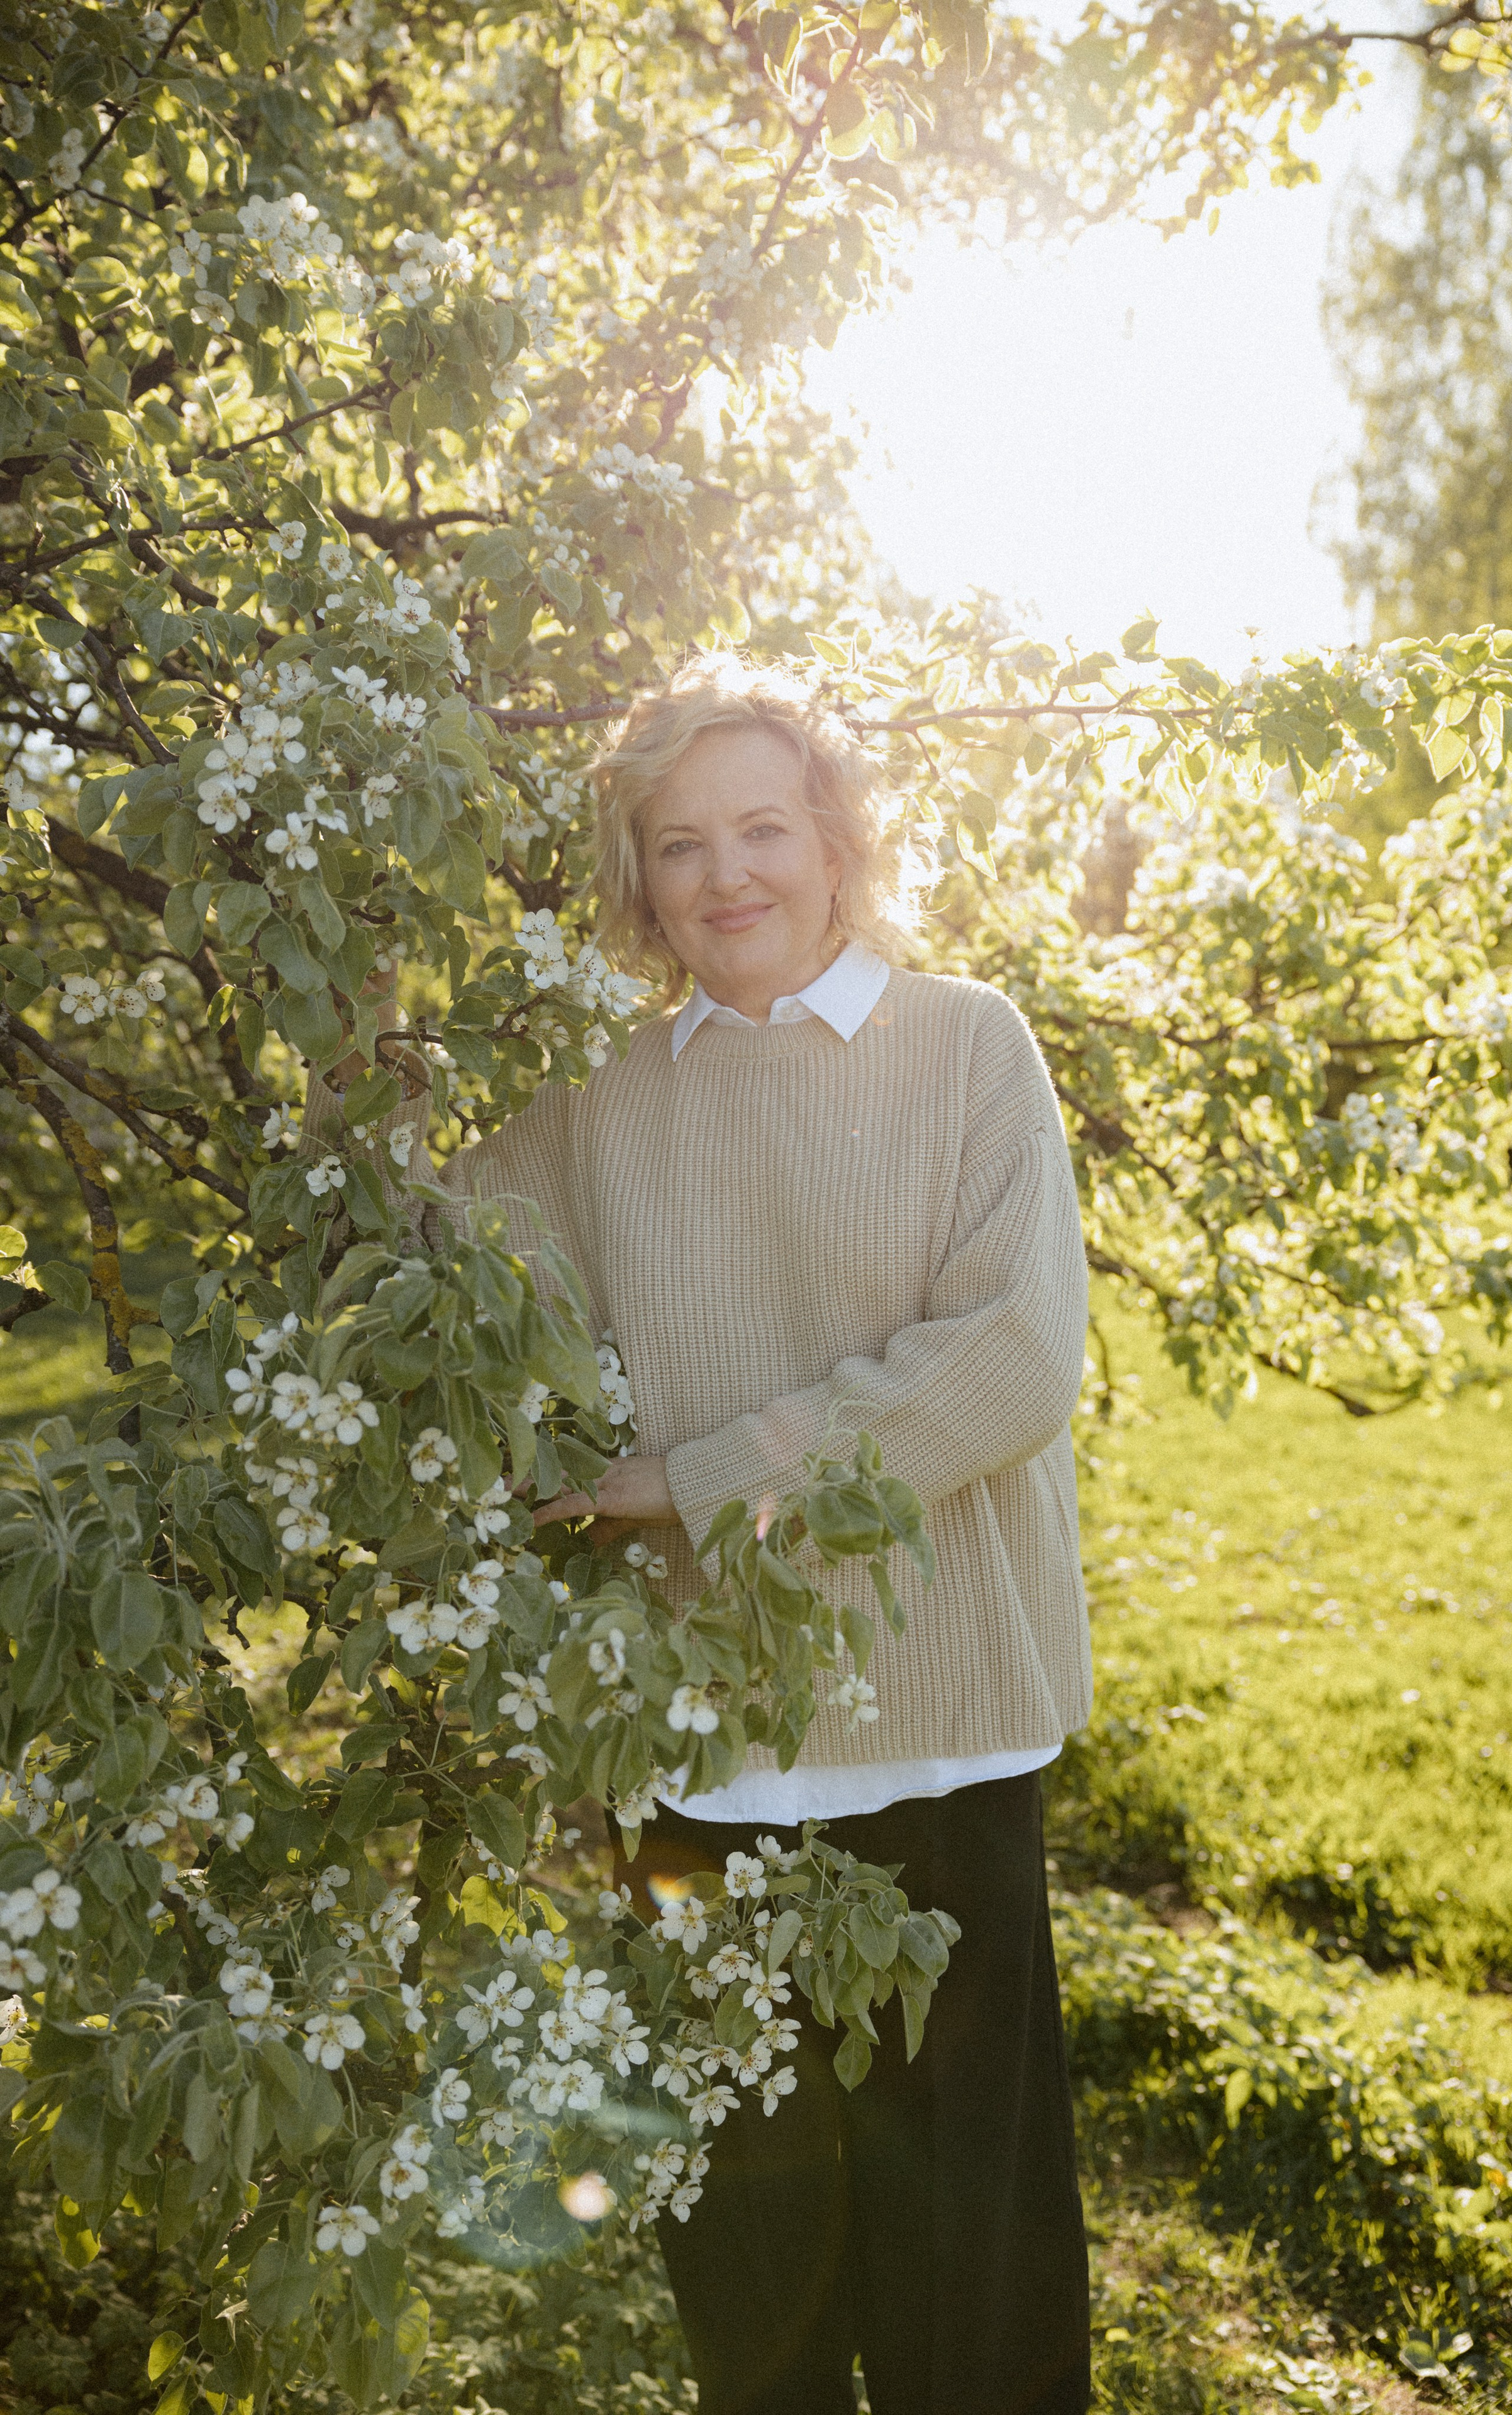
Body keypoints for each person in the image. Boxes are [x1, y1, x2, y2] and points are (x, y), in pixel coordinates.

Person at [313, 655, 1092, 2415]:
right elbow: (418, 1270)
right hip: (699, 1755)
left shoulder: (967, 1043)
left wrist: (695, 1473)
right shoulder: (595, 1101)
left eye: (762, 827)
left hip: (940, 1739)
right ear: (640, 886)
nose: (726, 875)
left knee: (979, 2281)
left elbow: (1013, 1359)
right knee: (756, 2298)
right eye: (679, 845)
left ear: (833, 843)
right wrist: (357, 1038)